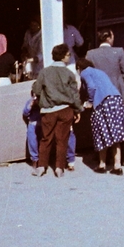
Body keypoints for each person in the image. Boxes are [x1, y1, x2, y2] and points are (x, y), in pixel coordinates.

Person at [87, 28, 124, 169]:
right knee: (120, 125)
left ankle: (101, 158)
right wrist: (123, 88)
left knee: (101, 126)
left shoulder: (91, 54)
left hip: (99, 96)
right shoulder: (119, 51)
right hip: (117, 93)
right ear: (109, 38)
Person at [31, 43, 80, 177]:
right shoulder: (69, 74)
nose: (69, 57)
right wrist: (78, 110)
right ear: (64, 56)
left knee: (46, 138)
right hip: (65, 109)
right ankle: (59, 168)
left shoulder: (44, 72)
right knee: (62, 139)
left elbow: (36, 89)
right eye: (68, 55)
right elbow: (74, 94)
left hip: (48, 110)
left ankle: (42, 166)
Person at [80, 62, 124, 174]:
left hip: (103, 102)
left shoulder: (85, 72)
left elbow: (91, 87)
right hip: (116, 100)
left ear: (79, 68)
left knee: (101, 133)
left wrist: (89, 102)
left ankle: (102, 164)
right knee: (115, 134)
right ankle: (117, 166)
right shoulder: (99, 72)